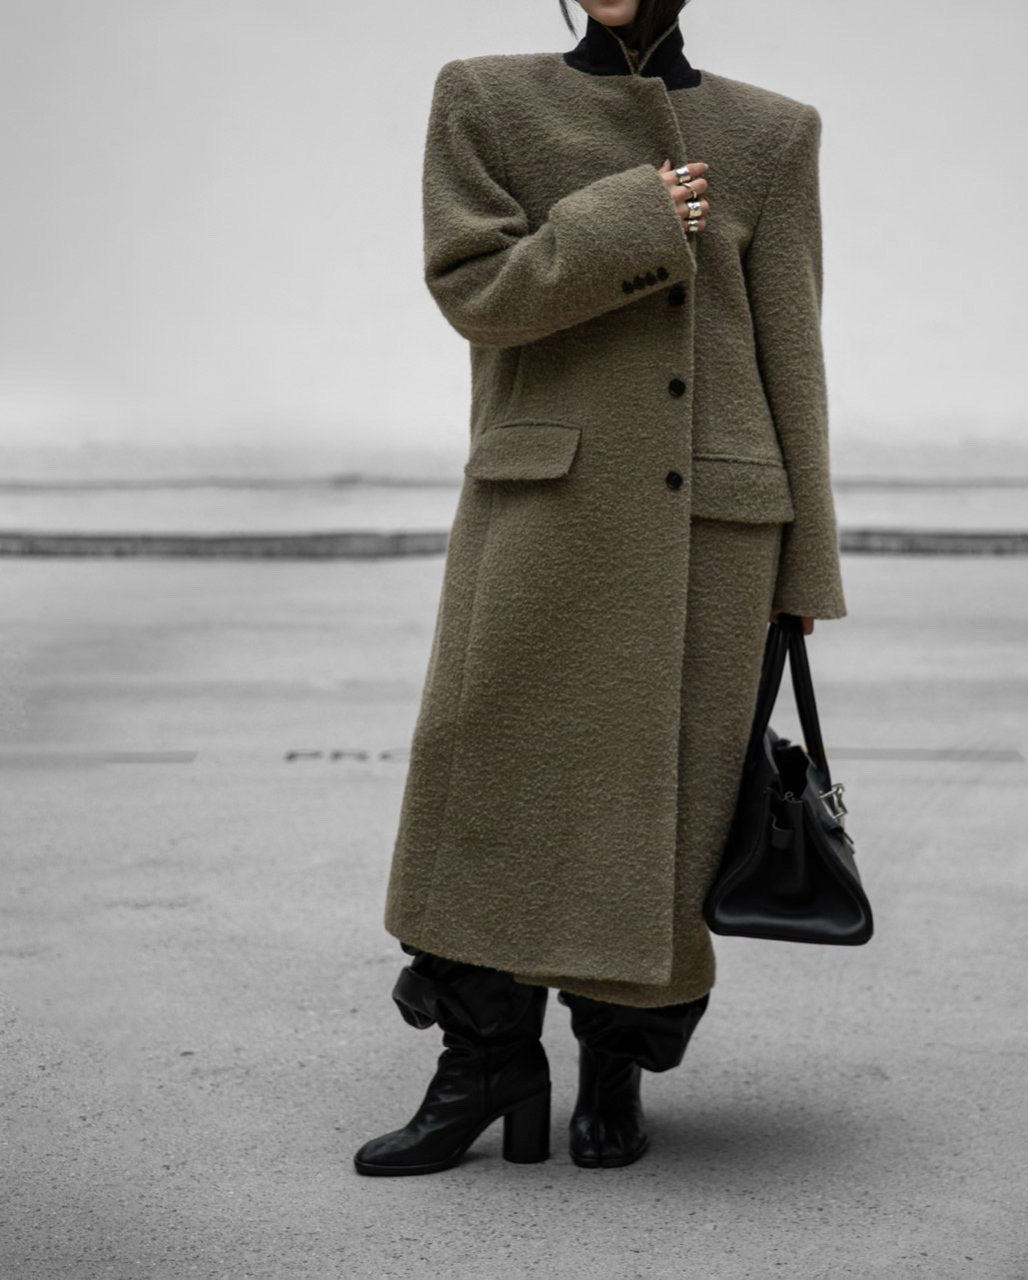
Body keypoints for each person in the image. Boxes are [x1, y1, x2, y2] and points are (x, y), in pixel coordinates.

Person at [354, 0, 846, 1175]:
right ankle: (482, 1064)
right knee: (483, 778)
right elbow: (474, 290)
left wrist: (805, 561)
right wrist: (629, 217)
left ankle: (611, 1067)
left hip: (711, 530)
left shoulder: (772, 133)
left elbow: (793, 351)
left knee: (660, 816)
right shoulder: (482, 96)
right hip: (541, 513)